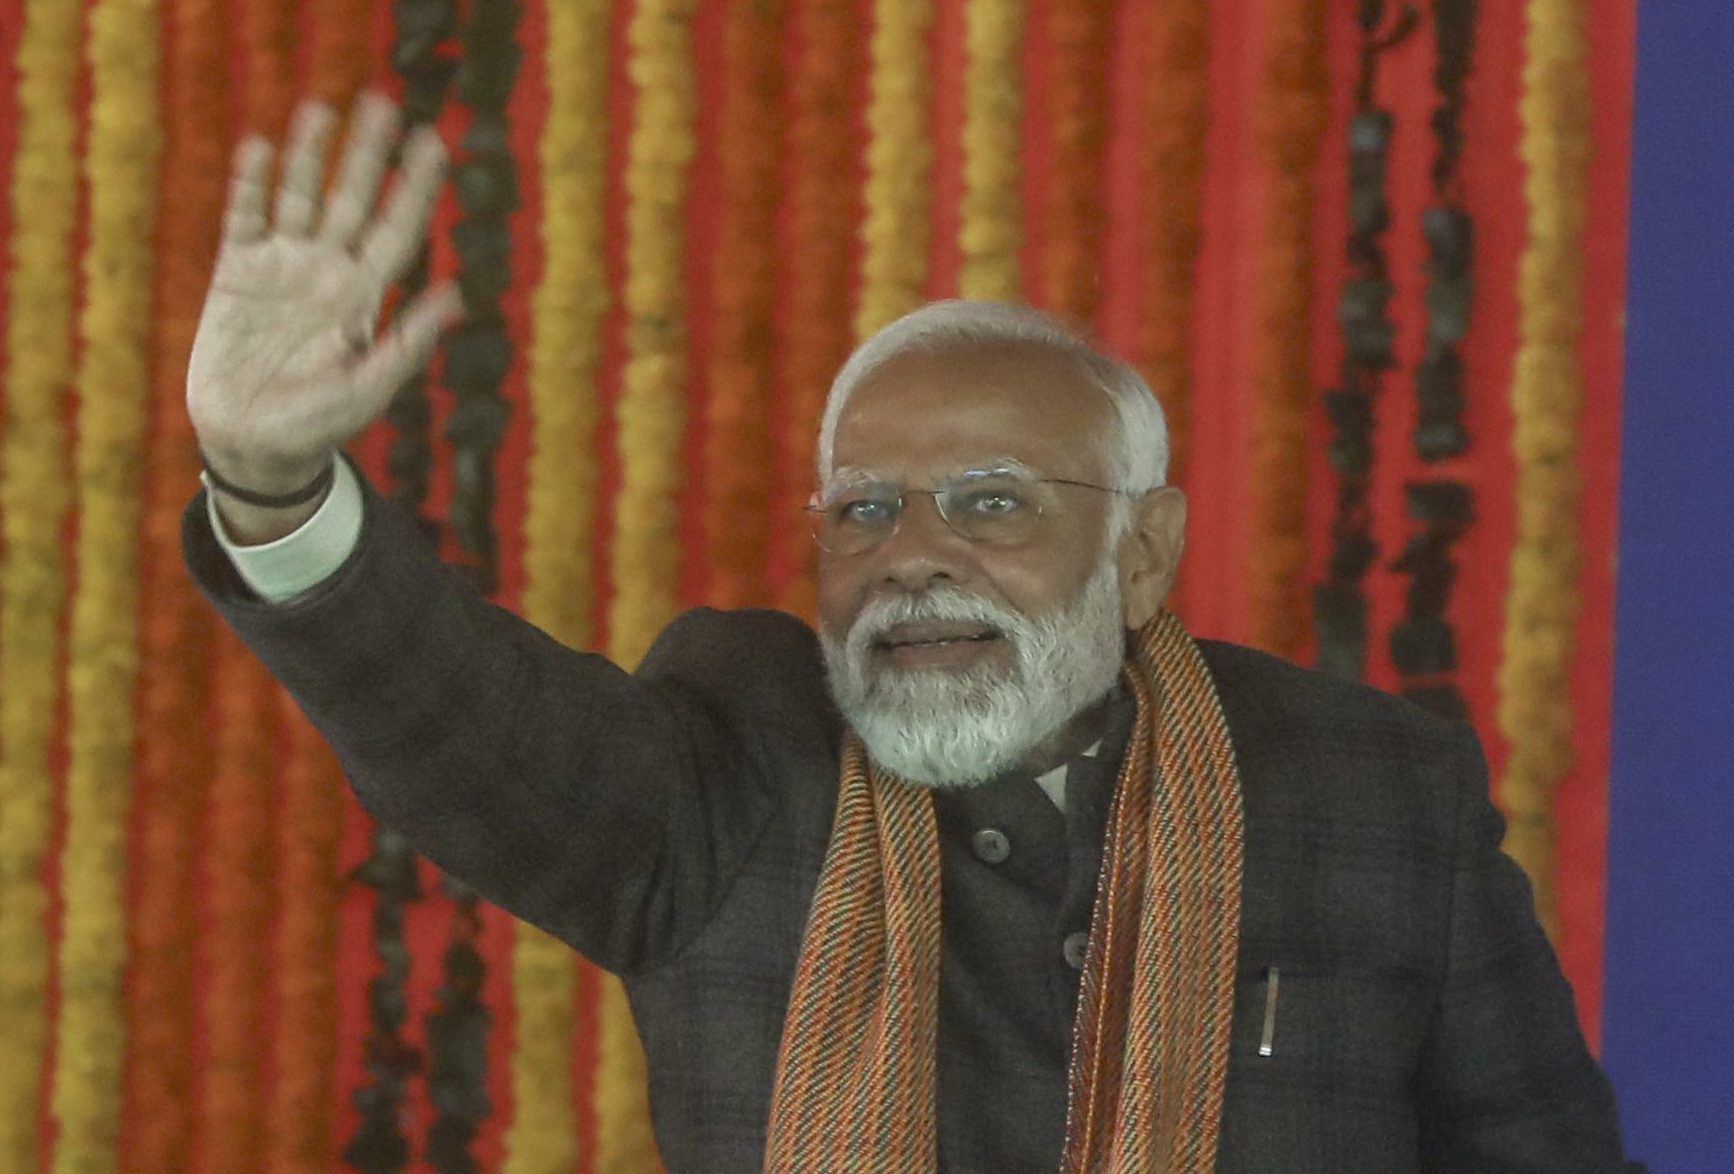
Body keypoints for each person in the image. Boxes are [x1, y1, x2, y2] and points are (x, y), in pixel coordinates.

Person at [184, 94, 1639, 1173]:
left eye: (992, 502)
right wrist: (273, 482)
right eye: (864, 509)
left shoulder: (1369, 791)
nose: (914, 555)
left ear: (1141, 553)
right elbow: (466, 722)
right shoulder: (734, 761)